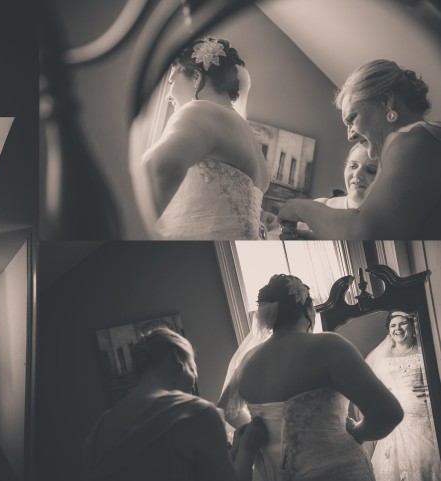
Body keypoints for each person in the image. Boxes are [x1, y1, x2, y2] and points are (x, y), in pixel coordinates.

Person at [218, 274, 404, 480]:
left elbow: (228, 410)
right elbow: (389, 413)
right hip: (337, 471)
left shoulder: (247, 361)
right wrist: (356, 433)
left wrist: (263, 435)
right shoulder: (329, 346)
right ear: (308, 310)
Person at [278, 59, 441, 239]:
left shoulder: (413, 141)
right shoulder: (424, 139)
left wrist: (300, 207)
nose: (350, 136)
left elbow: (366, 232)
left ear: (386, 101)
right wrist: (313, 238)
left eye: (352, 118)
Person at [82, 327, 267, 481]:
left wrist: (233, 451)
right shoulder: (197, 413)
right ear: (180, 363)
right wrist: (247, 449)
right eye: (194, 368)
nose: (194, 379)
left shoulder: (99, 429)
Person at [132, 36, 270, 240]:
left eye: (172, 80)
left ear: (196, 78)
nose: (168, 95)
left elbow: (159, 169)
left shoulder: (199, 111)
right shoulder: (248, 138)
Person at [365, 311, 441, 480]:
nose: (397, 328)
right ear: (389, 332)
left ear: (413, 327)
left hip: (423, 414)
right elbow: (374, 386)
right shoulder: (382, 355)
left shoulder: (425, 351)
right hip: (395, 416)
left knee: (426, 458)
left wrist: (432, 389)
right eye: (393, 325)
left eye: (402, 324)